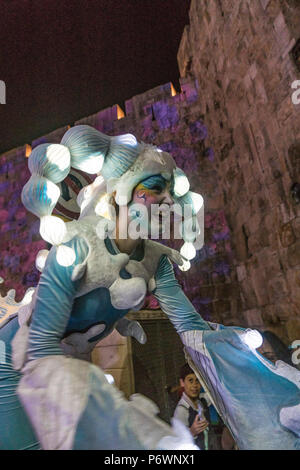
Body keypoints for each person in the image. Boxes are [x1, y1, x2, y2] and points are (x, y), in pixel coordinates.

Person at [0, 125, 203, 450]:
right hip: (14, 362)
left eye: (168, 192)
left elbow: (192, 327)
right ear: (119, 194)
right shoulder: (74, 248)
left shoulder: (155, 260)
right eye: (152, 190)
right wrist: (122, 423)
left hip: (66, 363)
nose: (166, 200)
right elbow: (41, 348)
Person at [174, 363, 209, 449]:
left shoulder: (202, 401)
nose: (195, 385)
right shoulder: (181, 410)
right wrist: (192, 432)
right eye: (190, 381)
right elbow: (178, 443)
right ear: (182, 383)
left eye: (197, 380)